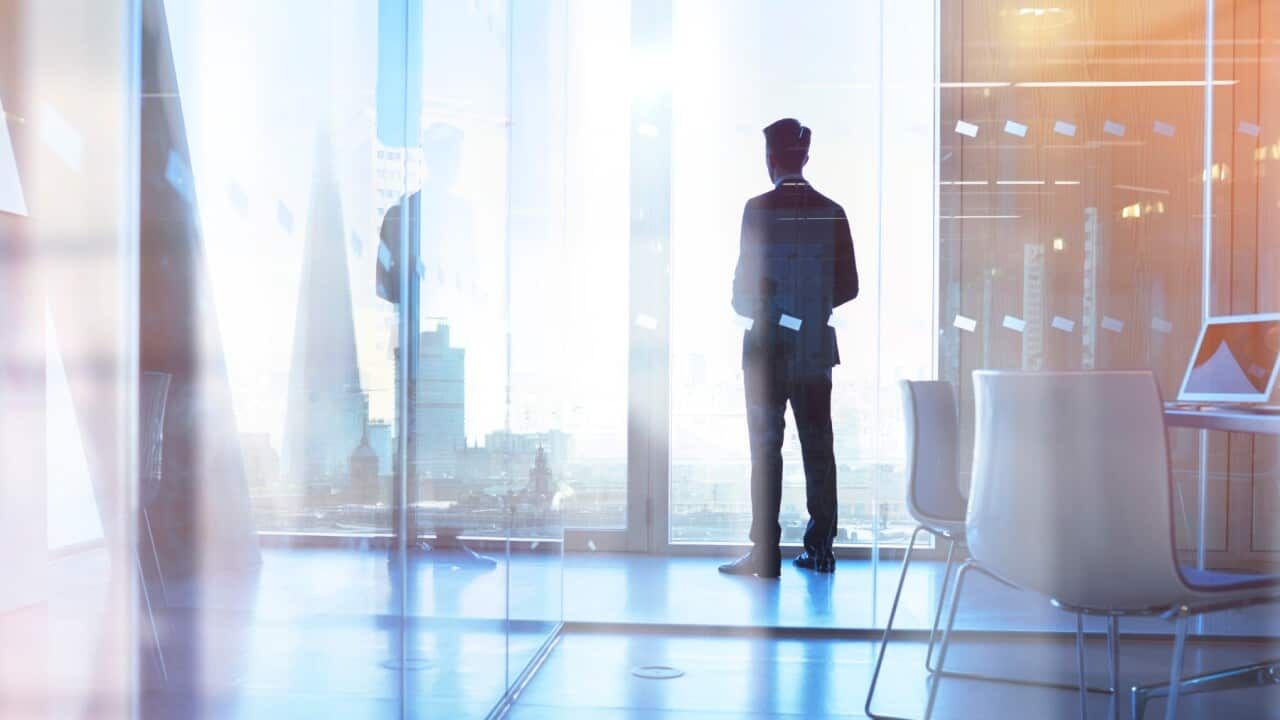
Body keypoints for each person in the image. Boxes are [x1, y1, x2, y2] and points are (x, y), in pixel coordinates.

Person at [719, 118, 858, 579]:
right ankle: (820, 550)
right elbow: (850, 286)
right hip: (815, 348)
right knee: (819, 450)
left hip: (766, 351)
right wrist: (810, 307)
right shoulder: (832, 211)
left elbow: (742, 293)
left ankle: (765, 556)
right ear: (805, 157)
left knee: (765, 451)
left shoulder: (757, 210)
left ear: (770, 159)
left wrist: (772, 308)